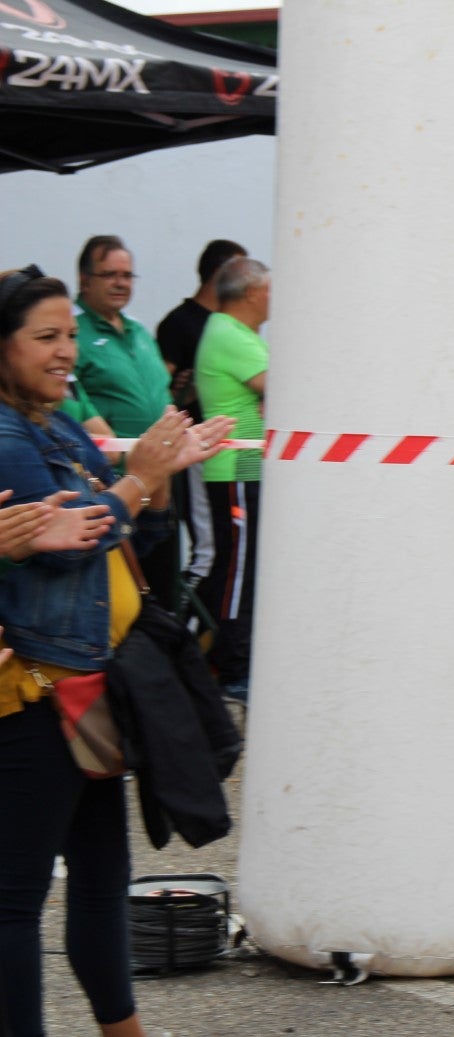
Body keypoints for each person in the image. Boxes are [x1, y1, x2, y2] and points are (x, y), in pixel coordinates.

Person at [0, 265, 233, 1037]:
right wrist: (136, 483)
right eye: (47, 338)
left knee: (103, 878)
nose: (67, 351)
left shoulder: (56, 419)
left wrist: (154, 481)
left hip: (91, 687)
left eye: (70, 335)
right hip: (35, 694)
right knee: (15, 898)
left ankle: (122, 1029)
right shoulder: (5, 435)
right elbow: (69, 546)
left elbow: (122, 519)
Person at [72, 236, 181, 608]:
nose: (121, 283)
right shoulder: (73, 334)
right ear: (85, 279)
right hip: (114, 484)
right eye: (109, 275)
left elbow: (162, 393)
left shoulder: (138, 330)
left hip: (161, 479)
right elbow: (73, 402)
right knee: (132, 595)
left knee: (165, 587)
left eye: (127, 275)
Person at [194, 257, 269, 702]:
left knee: (240, 564)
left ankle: (228, 657)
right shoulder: (229, 333)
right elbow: (289, 388)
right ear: (250, 292)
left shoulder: (237, 333)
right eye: (270, 287)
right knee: (238, 567)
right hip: (237, 468)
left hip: (245, 466)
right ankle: (231, 665)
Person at [155, 240, 246, 603]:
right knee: (207, 550)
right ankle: (185, 623)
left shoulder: (227, 326)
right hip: (196, 452)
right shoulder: (180, 323)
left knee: (230, 546)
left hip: (229, 453)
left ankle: (215, 632)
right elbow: (161, 390)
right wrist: (185, 393)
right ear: (221, 274)